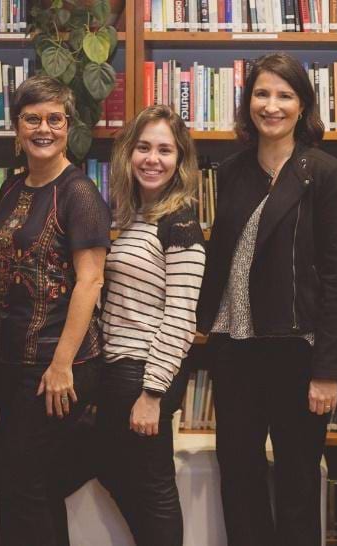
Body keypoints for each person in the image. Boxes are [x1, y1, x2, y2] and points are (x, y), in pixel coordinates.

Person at [195, 52, 337, 546]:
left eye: (284, 95)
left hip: (297, 350)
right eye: (261, 94)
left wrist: (328, 370)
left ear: (302, 105)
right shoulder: (230, 171)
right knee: (238, 477)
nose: (272, 105)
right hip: (235, 348)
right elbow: (222, 254)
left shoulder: (326, 173)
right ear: (248, 103)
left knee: (297, 483)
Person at [0, 74, 111, 546]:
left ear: (69, 127)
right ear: (17, 127)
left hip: (54, 367)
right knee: (28, 485)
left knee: (24, 484)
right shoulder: (11, 188)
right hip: (8, 363)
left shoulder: (79, 194)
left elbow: (90, 281)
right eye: (32, 119)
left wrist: (61, 365)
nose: (44, 129)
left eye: (55, 119)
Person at [97, 104, 206, 546]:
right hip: (118, 368)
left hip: (144, 373)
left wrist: (152, 395)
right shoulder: (132, 216)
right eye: (143, 147)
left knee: (154, 488)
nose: (152, 159)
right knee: (115, 471)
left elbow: (181, 316)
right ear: (128, 153)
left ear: (180, 161)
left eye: (165, 150)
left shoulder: (180, 223)